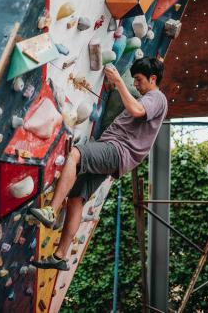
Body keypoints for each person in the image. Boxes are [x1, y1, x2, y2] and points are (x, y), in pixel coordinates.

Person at [29, 57, 168, 270]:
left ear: (153, 78)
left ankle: (51, 210)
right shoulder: (148, 98)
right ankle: (60, 256)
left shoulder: (156, 97)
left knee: (75, 154)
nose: (137, 85)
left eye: (139, 80)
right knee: (76, 199)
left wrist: (119, 83)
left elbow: (138, 111)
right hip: (117, 155)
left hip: (117, 150)